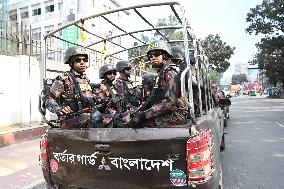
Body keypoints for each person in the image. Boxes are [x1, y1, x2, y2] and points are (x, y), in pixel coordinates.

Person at [129, 40, 189, 127]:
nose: (153, 58)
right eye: (150, 56)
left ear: (165, 55)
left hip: (176, 114)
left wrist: (144, 115)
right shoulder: (161, 73)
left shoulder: (170, 72)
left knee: (142, 124)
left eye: (157, 54)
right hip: (167, 112)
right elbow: (152, 97)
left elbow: (171, 101)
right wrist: (140, 111)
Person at [46, 46, 94, 128]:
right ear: (71, 62)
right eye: (78, 60)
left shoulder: (86, 80)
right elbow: (49, 100)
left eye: (84, 60)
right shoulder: (64, 79)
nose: (82, 62)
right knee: (95, 119)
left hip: (86, 117)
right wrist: (59, 109)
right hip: (69, 120)